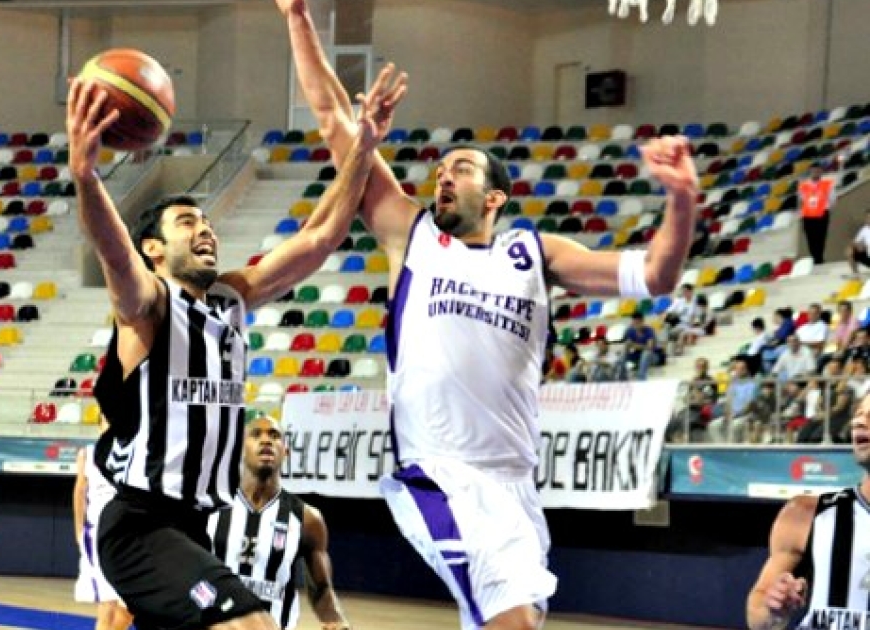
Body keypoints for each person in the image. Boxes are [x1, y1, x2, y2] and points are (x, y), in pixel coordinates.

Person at [277, 1, 698, 627]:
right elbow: (335, 121)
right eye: (440, 170)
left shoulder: (535, 253)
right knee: (513, 623)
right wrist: (298, 17)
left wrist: (683, 198)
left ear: (496, 196)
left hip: (515, 486)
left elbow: (659, 275)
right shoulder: (413, 235)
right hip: (439, 474)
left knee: (514, 620)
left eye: (462, 169)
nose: (444, 177)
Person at [65, 59, 405, 630]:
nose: (205, 229)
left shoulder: (231, 298)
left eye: (206, 222)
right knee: (252, 626)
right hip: (142, 525)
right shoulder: (147, 305)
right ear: (153, 250)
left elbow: (322, 236)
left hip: (196, 523)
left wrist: (364, 148)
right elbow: (115, 254)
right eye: (186, 223)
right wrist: (87, 177)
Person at [207, 415, 350, 630]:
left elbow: (321, 590)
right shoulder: (210, 506)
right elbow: (185, 578)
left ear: (286, 451)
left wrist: (336, 621)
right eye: (256, 435)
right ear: (239, 449)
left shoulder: (307, 519)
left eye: (274, 436)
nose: (266, 440)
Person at [746, 392, 870, 630]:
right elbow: (757, 616)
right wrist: (774, 608)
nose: (859, 422)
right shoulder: (805, 514)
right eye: (859, 414)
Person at [73, 419, 133, 630]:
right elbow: (79, 493)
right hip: (99, 534)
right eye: (106, 419)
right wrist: (79, 529)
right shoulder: (88, 454)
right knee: (107, 606)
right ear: (99, 425)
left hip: (129, 534)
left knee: (129, 610)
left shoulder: (135, 451)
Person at [799, 162, 836, 264]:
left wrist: (827, 209)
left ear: (821, 171)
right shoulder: (803, 185)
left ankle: (819, 258)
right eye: (813, 171)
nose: (815, 172)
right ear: (810, 171)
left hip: (822, 213)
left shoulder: (827, 183)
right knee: (810, 237)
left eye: (817, 171)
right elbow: (802, 200)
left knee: (821, 236)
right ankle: (814, 257)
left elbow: (832, 199)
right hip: (808, 214)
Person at [846, 210, 870, 278]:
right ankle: (855, 273)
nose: (869, 220)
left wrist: (864, 246)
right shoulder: (864, 229)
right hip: (868, 256)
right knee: (850, 250)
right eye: (867, 218)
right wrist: (857, 245)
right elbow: (855, 242)